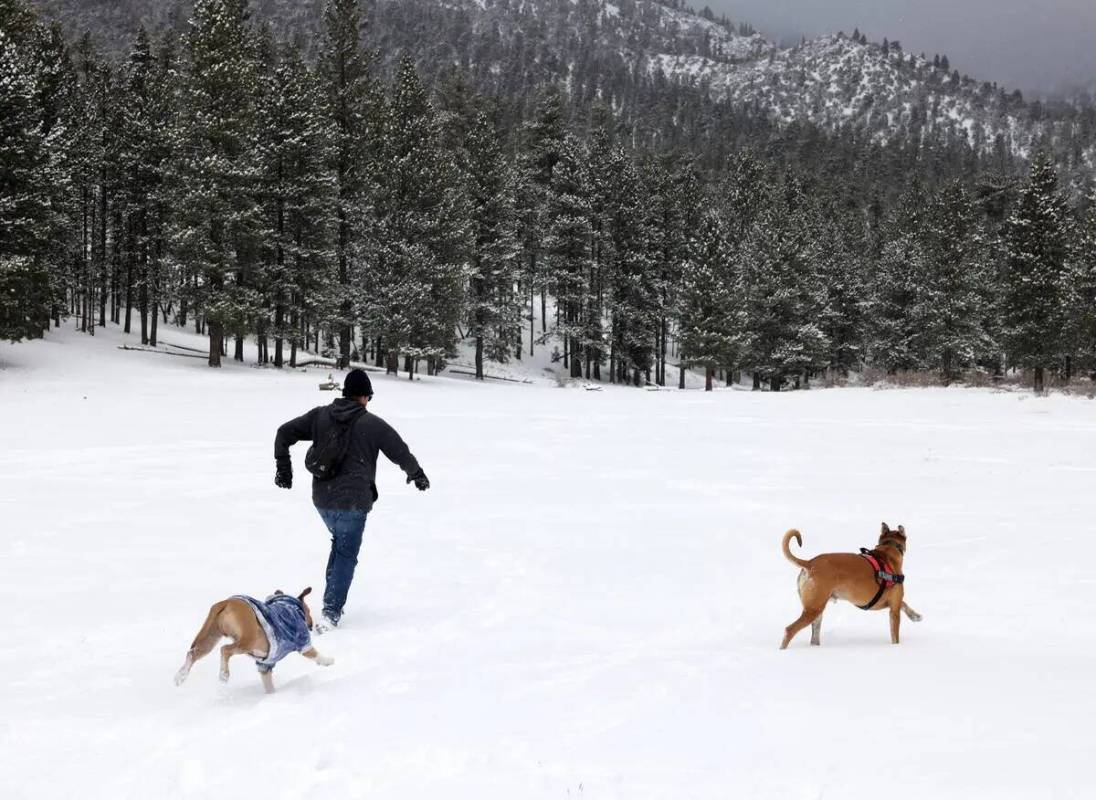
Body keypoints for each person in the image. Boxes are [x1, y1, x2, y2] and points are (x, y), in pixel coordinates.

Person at [274, 369, 429, 632]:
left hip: (322, 500)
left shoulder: (320, 416)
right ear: (365, 397)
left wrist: (283, 468)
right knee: (345, 552)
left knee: (340, 544)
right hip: (353, 502)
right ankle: (330, 613)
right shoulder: (373, 424)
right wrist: (417, 475)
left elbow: (283, 432)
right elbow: (400, 452)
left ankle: (329, 604)